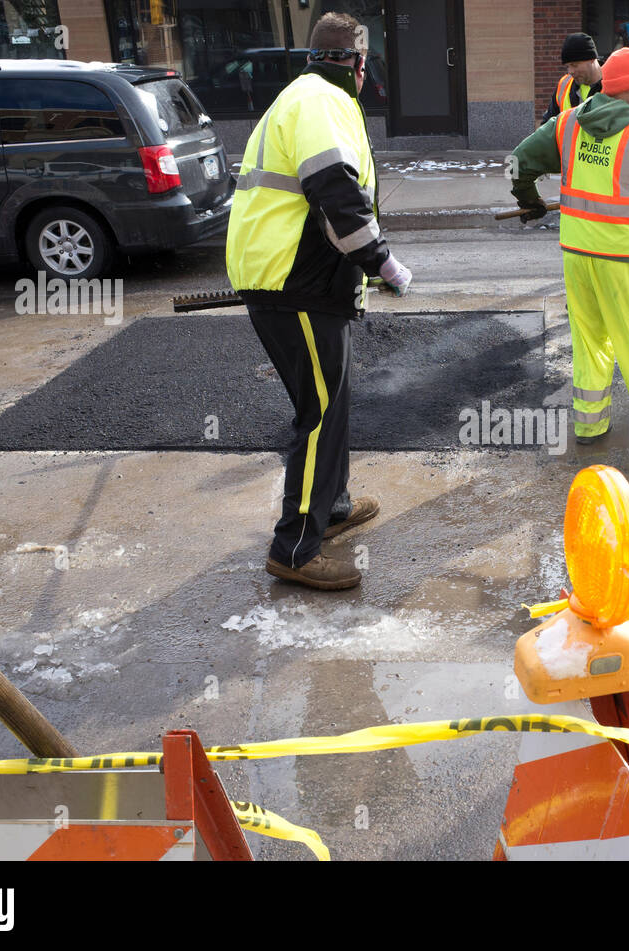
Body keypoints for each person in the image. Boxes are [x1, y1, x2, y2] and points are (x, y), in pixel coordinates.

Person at [225, 11, 412, 590]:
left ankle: (328, 507)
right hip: (296, 282)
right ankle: (295, 549)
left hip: (296, 279)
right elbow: (336, 193)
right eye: (364, 66)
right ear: (356, 64)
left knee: (331, 400)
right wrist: (381, 262)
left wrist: (364, 264)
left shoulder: (305, 96)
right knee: (320, 414)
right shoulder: (321, 103)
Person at [511, 46, 629, 444]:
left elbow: (519, 160)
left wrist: (529, 200)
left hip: (577, 254)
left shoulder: (569, 123)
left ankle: (590, 427)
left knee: (590, 341)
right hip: (624, 259)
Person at [542, 33, 603, 124]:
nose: (570, 71)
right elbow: (548, 125)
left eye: (575, 65)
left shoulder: (615, 84)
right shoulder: (564, 84)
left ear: (592, 59)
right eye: (567, 66)